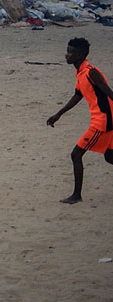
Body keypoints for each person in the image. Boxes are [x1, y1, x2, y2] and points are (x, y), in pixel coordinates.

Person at [46, 37, 113, 204]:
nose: (67, 55)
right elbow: (78, 95)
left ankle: (76, 195)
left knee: (76, 155)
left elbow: (110, 94)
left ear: (82, 54)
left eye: (71, 52)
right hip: (105, 119)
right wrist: (58, 114)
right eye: (67, 51)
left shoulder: (92, 72)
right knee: (110, 157)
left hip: (103, 121)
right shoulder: (80, 72)